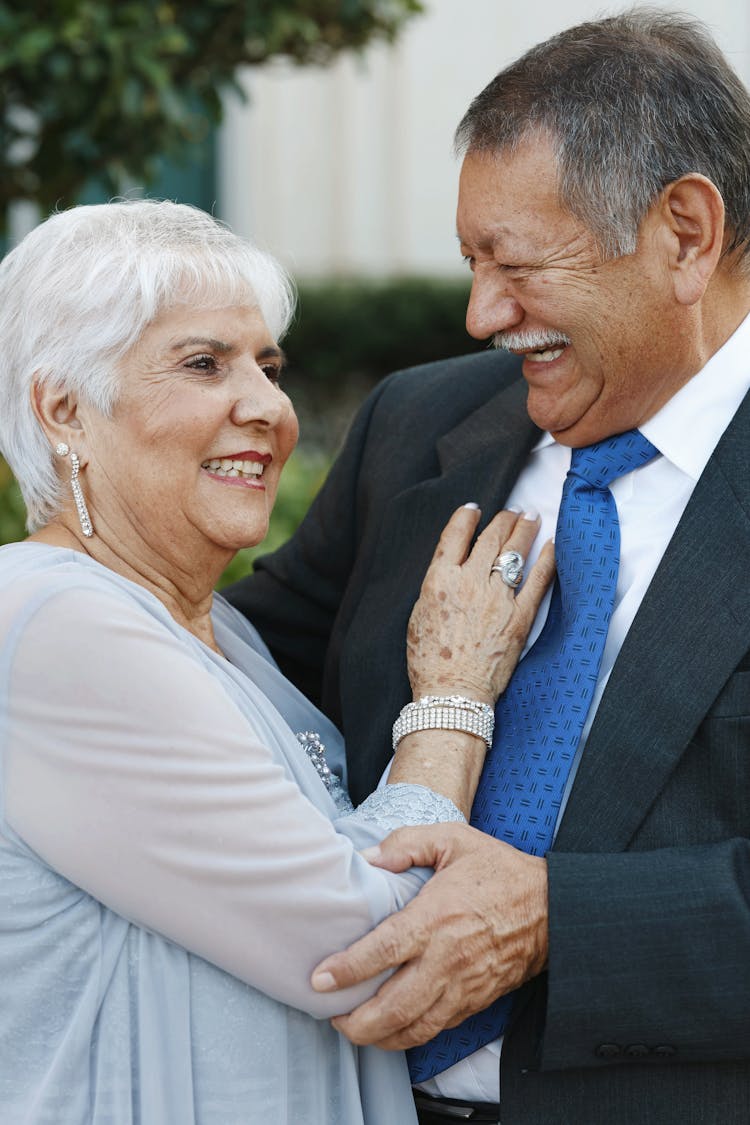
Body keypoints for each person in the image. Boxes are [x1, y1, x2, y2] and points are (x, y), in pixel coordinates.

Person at [224, 8, 750, 1124]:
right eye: (469, 262)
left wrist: (557, 916)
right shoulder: (417, 426)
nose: (480, 315)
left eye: (515, 266)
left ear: (687, 235)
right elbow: (224, 668)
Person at [0, 199, 556, 1124]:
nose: (266, 406)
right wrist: (453, 695)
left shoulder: (219, 629)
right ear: (64, 409)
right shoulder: (53, 621)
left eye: (268, 365)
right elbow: (369, 940)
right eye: (203, 364)